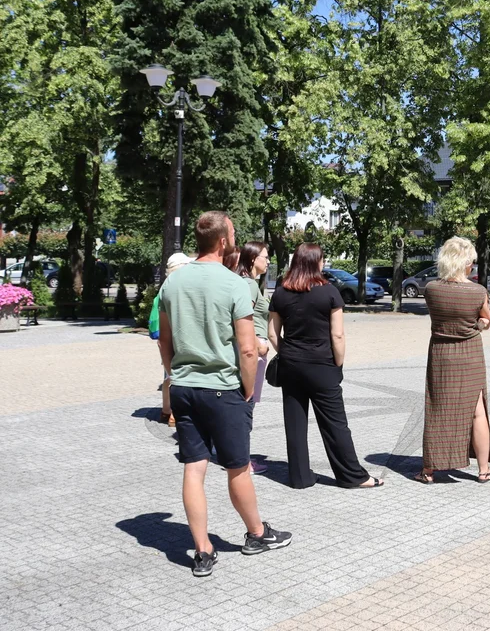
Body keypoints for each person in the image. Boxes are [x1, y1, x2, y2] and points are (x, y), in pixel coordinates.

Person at [157, 211, 292, 577]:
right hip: (223, 388)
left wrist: (174, 375)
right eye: (232, 232)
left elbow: (164, 340)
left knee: (193, 467)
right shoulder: (234, 284)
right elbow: (249, 349)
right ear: (222, 240)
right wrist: (248, 388)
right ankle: (257, 533)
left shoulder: (172, 283)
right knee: (237, 468)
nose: (234, 237)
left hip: (185, 387)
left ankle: (202, 551)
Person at [268, 243, 382, 489]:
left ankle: (299, 477)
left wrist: (287, 352)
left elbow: (272, 334)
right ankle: (353, 476)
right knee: (334, 423)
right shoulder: (330, 292)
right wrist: (337, 363)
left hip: (291, 366)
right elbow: (337, 335)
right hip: (322, 365)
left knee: (295, 423)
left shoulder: (280, 293)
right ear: (315, 262)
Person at [415, 236, 490, 484]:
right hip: (470, 354)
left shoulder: (431, 289)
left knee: (437, 409)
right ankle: (483, 470)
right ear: (465, 263)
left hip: (441, 354)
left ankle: (428, 471)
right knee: (477, 411)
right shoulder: (478, 291)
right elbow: (486, 320)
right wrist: (479, 325)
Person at [237, 241, 271, 475]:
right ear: (252, 259)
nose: (268, 261)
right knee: (246, 405)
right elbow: (243, 317)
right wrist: (257, 346)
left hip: (253, 350)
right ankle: (242, 460)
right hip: (252, 352)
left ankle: (239, 457)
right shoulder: (248, 284)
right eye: (265, 257)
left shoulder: (251, 283)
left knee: (244, 404)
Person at [150, 252, 191, 426]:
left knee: (168, 376)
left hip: (165, 337)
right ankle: (174, 412)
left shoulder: (165, 286)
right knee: (175, 376)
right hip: (175, 337)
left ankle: (166, 410)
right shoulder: (177, 287)